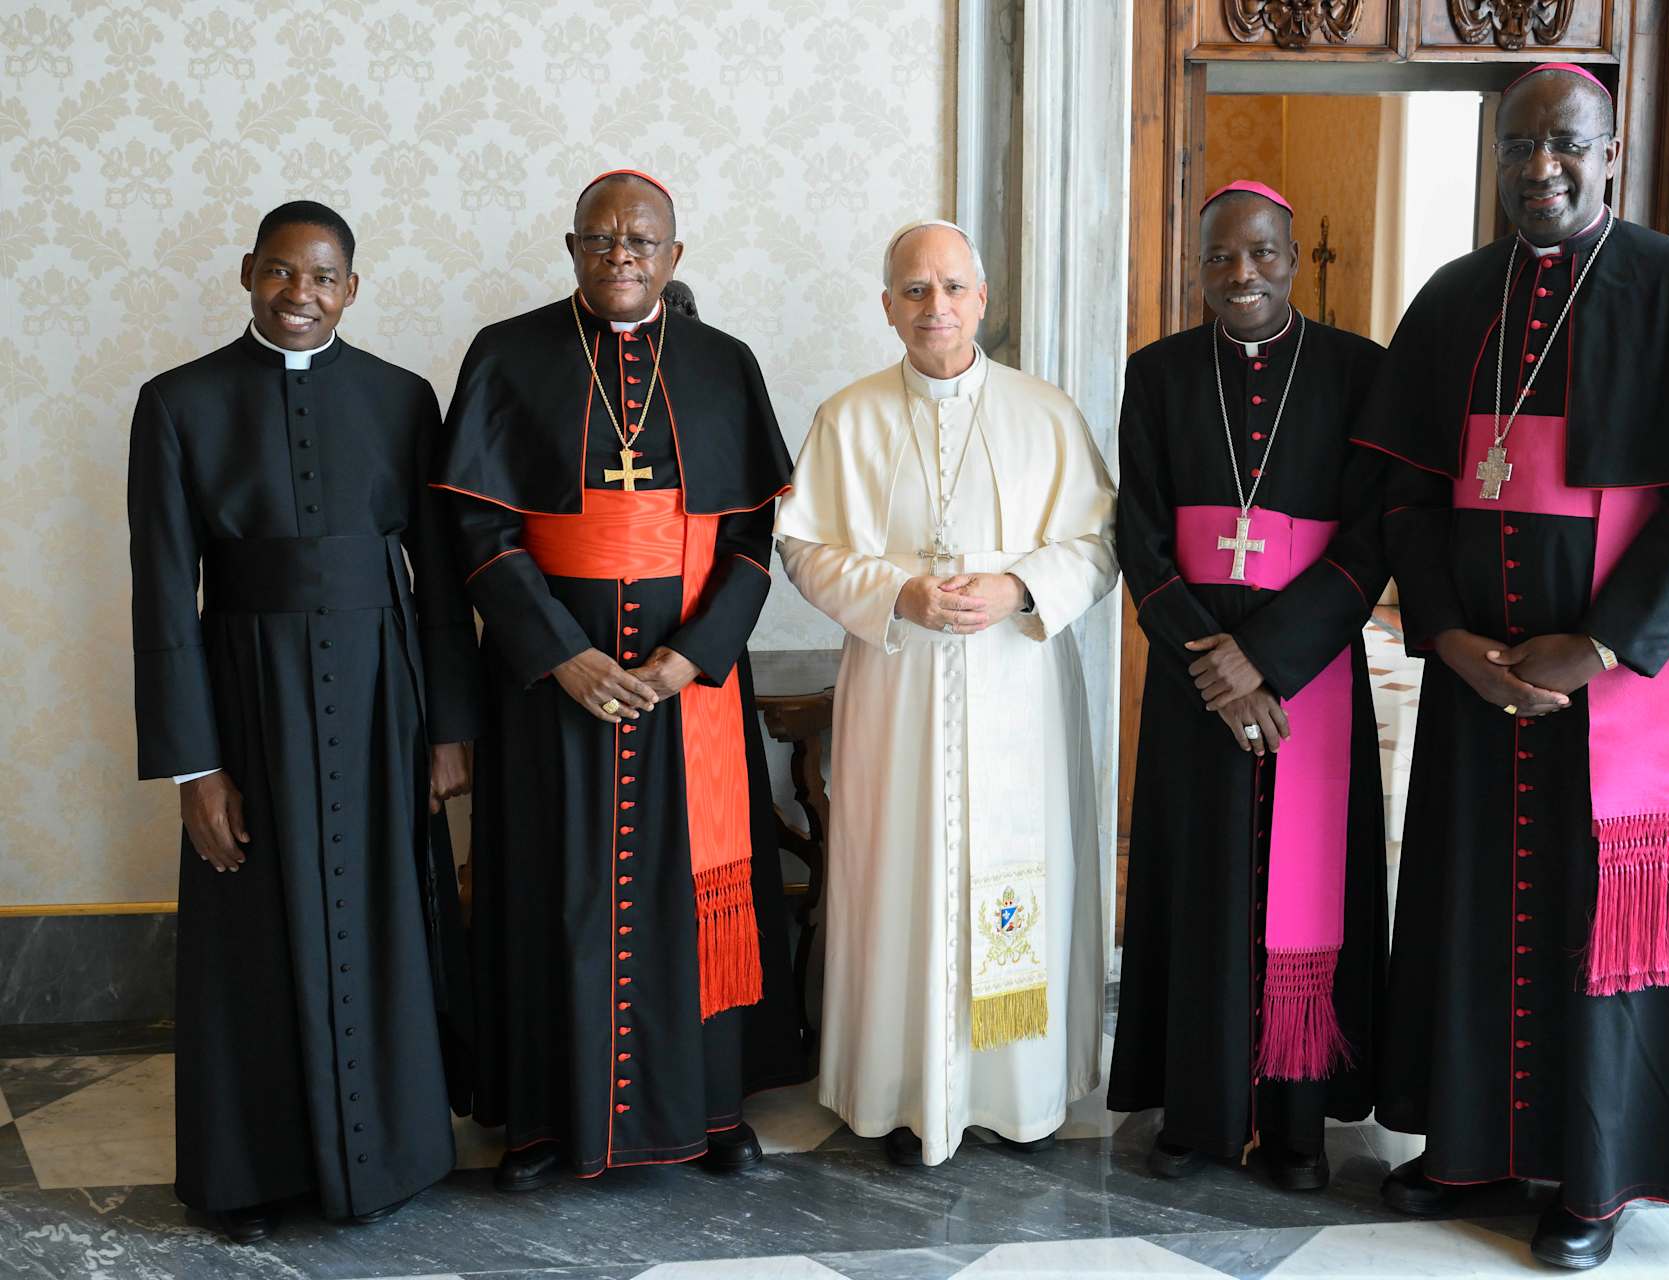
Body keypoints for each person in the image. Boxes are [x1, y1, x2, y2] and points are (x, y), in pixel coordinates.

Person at [1352, 64, 1669, 1270]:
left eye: (1564, 144)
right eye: (1517, 147)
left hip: (1618, 688)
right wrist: (1448, 635)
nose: (1538, 166)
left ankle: (1593, 1181)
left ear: (1611, 153)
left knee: (1601, 924)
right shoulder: (1453, 299)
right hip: (1476, 679)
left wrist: (1597, 646)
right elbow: (1408, 494)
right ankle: (1467, 1145)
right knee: (1467, 903)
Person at [435, 168, 803, 1190]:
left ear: (675, 256)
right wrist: (561, 652)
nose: (621, 252)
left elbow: (753, 533)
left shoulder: (725, 364)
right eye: (600, 238)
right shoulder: (507, 355)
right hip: (553, 684)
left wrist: (691, 655)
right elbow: (478, 526)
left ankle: (712, 1107)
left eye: (641, 239)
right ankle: (546, 1120)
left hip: (692, 684)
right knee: (551, 889)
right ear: (572, 248)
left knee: (701, 887)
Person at [128, 201, 480, 1243]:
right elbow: (161, 592)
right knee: (254, 935)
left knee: (384, 919)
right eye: (282, 273)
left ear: (352, 290)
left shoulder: (404, 398)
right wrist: (197, 765)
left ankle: (397, 1156)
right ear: (248, 274)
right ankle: (252, 1174)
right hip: (247, 704)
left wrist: (449, 728)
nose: (300, 295)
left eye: (324, 278)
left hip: (383, 702)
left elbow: (440, 583)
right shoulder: (177, 403)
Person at [776, 218, 1117, 1168]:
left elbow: (1097, 544)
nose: (937, 308)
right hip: (898, 683)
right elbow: (802, 544)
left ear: (983, 300)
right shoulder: (848, 418)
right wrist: (897, 592)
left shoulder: (1045, 413)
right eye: (915, 291)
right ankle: (897, 1088)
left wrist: (1017, 588)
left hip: (1018, 686)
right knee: (900, 869)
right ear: (886, 306)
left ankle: (1018, 1089)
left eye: (954, 288)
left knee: (1020, 873)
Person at [1106, 182, 1390, 1190]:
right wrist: (1209, 661)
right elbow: (1137, 534)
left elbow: (1373, 534)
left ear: (1294, 255)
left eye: (1263, 253)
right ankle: (1197, 1114)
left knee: (1301, 891)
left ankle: (1299, 1121)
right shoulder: (1159, 372)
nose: (1242, 275)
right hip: (1193, 679)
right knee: (1200, 881)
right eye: (1221, 257)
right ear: (1198, 265)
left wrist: (1265, 658)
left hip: (1307, 669)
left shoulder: (1360, 370)